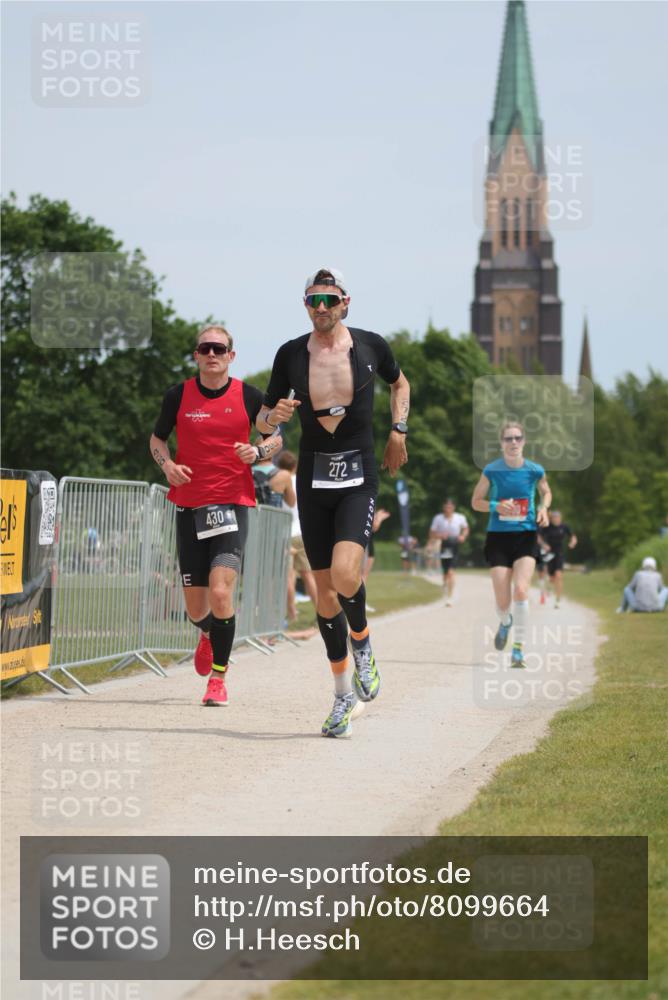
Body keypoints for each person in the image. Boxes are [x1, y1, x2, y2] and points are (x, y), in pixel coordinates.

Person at [258, 267, 410, 738]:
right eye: (312, 300)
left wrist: (398, 431)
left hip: (358, 473)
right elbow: (264, 421)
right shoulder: (289, 355)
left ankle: (362, 644)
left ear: (346, 302)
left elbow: (399, 384)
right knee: (324, 598)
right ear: (305, 304)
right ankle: (343, 694)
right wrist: (273, 417)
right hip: (313, 478)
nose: (320, 308)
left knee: (347, 575)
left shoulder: (370, 346)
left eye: (328, 299)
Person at [149, 324, 281, 706]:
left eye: (219, 349)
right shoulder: (178, 396)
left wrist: (257, 453)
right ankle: (207, 633)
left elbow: (276, 437)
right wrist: (167, 465)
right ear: (196, 355)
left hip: (232, 505)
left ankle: (218, 681)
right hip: (189, 506)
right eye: (205, 348)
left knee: (222, 592)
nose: (212, 354)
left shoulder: (249, 396)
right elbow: (157, 439)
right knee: (195, 608)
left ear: (231, 356)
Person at [471, 421, 551, 668]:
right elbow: (476, 501)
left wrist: (544, 508)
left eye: (517, 438)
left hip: (526, 535)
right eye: (508, 439)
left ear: (524, 441)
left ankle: (518, 650)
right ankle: (505, 622)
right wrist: (496, 506)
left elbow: (546, 492)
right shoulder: (492, 470)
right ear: (502, 443)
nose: (513, 442)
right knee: (503, 602)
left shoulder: (535, 470)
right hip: (498, 537)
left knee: (522, 590)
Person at [275, 450, 318, 622]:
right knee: (308, 575)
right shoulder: (303, 481)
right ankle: (320, 611)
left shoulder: (279, 481)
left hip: (285, 532)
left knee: (289, 577)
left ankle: (291, 614)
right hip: (302, 532)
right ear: (295, 466)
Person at [429, 498, 470, 605]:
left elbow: (466, 528)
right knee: (445, 572)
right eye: (446, 506)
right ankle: (445, 586)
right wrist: (440, 535)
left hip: (455, 545)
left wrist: (463, 536)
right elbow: (432, 533)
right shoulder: (438, 518)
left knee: (451, 572)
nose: (448, 508)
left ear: (453, 507)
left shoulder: (460, 517)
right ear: (443, 507)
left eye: (450, 506)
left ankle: (450, 596)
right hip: (444, 545)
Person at [537, 510, 578, 608]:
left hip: (559, 554)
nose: (556, 519)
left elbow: (573, 536)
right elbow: (538, 537)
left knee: (559, 576)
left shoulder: (564, 527)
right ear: (552, 518)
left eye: (557, 517)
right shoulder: (547, 527)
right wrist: (544, 545)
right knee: (552, 579)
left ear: (560, 518)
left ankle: (557, 600)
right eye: (554, 517)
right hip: (549, 554)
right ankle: (550, 586)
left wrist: (572, 542)